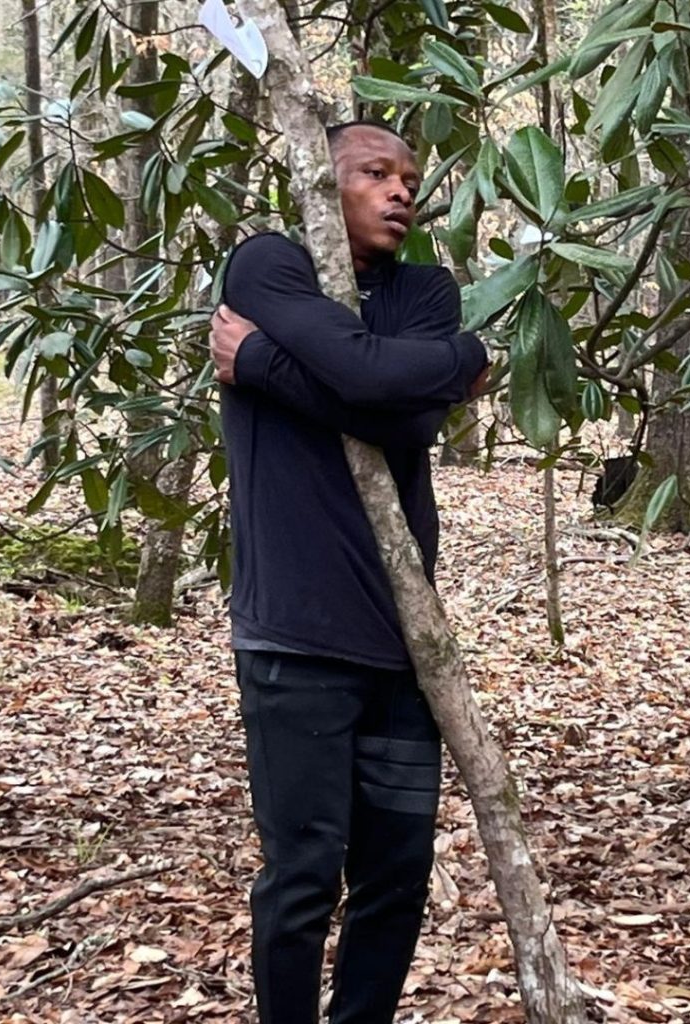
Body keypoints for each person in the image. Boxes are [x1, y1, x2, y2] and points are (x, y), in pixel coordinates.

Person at [209, 121, 488, 1024]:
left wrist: (261, 361)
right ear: (317, 181)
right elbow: (374, 385)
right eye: (375, 172)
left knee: (396, 875)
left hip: (405, 648)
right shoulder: (267, 265)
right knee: (302, 874)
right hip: (295, 639)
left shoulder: (425, 290)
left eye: (409, 178)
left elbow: (405, 419)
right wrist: (459, 363)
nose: (401, 190)